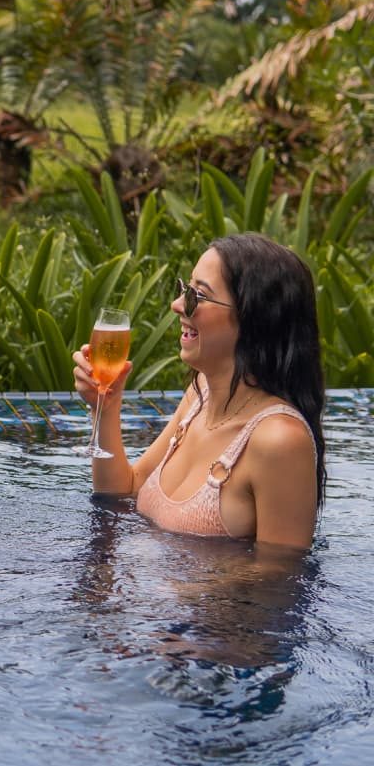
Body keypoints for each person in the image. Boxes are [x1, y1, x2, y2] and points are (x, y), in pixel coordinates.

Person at [72, 232, 325, 549]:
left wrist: (155, 591)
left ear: (254, 318)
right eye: (184, 289)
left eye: (197, 296)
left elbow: (278, 580)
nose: (177, 305)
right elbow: (124, 491)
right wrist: (104, 408)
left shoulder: (279, 441)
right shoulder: (199, 397)